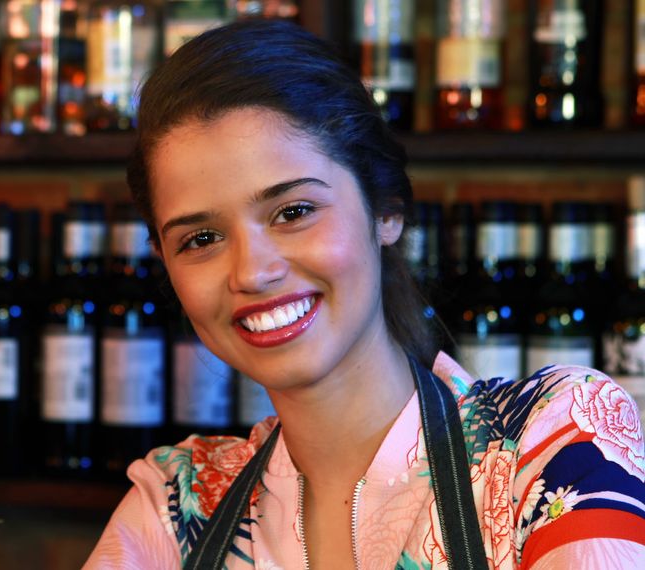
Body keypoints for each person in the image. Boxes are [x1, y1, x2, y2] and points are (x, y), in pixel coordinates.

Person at [85, 19, 645, 569]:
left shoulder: (552, 442)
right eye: (201, 239)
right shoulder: (174, 505)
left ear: (385, 212)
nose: (252, 273)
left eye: (293, 212)